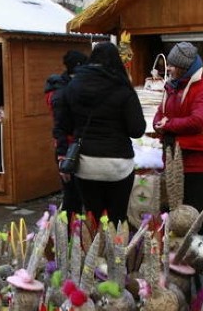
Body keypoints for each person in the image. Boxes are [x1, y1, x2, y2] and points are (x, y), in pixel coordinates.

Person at [55, 42, 146, 225]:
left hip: (85, 164)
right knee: (117, 219)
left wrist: (62, 153)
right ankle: (117, 252)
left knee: (93, 219)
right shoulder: (123, 88)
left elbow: (63, 125)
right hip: (118, 165)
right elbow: (137, 130)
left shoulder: (73, 87)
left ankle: (94, 251)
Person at [152, 42, 203, 213]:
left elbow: (198, 121)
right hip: (173, 156)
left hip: (195, 160)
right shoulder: (172, 86)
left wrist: (168, 125)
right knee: (175, 209)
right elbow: (161, 112)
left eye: (173, 65)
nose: (170, 69)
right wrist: (158, 124)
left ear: (184, 67)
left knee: (193, 209)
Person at [46, 50, 88, 216]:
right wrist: (63, 156)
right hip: (69, 148)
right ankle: (72, 234)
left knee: (77, 194)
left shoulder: (67, 88)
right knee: (73, 196)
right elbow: (59, 126)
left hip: (74, 146)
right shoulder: (62, 93)